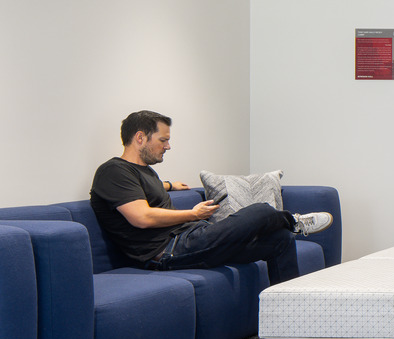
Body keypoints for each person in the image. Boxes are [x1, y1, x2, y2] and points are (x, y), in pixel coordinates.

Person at [89, 110, 331, 286]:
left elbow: (141, 190)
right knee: (262, 210)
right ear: (140, 138)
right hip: (170, 251)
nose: (168, 146)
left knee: (281, 239)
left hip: (191, 239)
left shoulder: (144, 172)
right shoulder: (112, 171)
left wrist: (169, 184)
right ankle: (295, 222)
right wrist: (193, 214)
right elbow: (141, 217)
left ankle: (288, 318)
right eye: (163, 140)